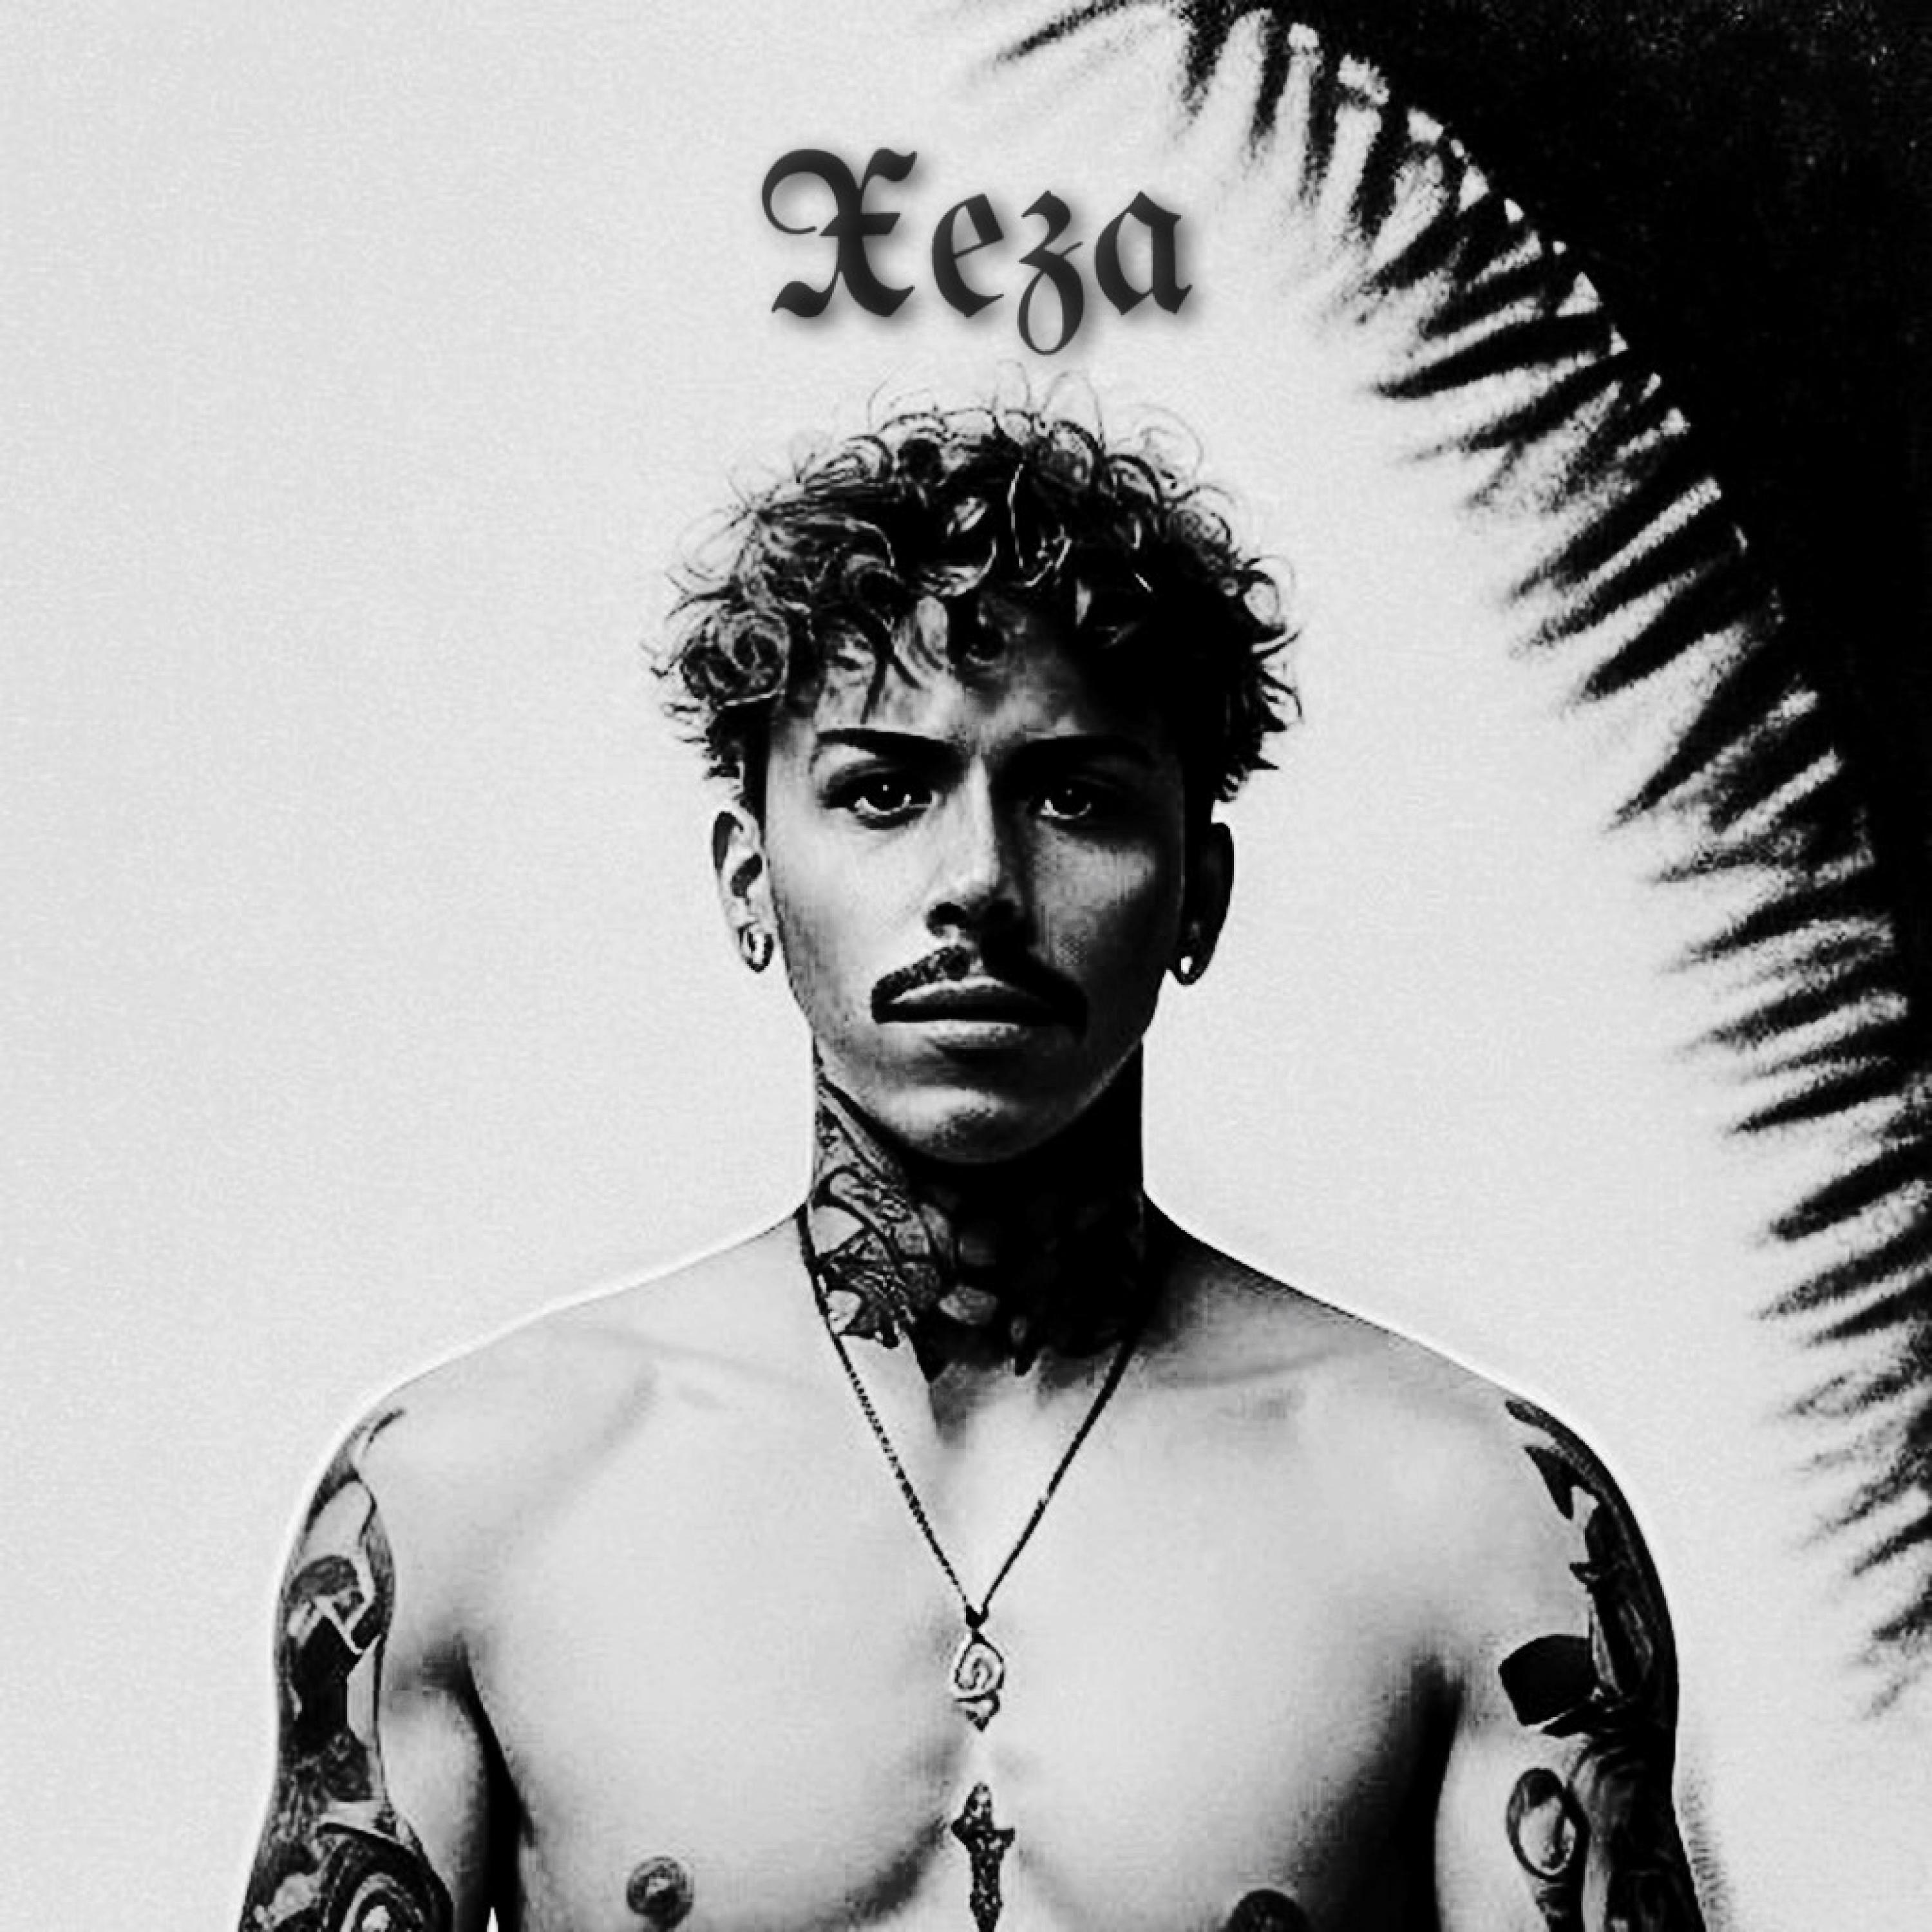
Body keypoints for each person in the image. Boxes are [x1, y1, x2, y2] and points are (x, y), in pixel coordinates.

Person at [239, 399, 1707, 1932]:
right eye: (885, 790)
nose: (981, 885)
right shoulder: (474, 1502)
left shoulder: (1473, 1523)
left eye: (1076, 797)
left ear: (1197, 894)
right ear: (749, 883)